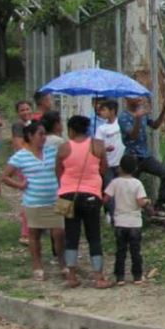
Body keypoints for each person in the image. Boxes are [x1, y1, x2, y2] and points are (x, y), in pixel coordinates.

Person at [2, 121, 65, 280]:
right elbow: (5, 176)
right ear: (30, 136)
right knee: (34, 234)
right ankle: (37, 265)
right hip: (34, 201)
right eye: (40, 134)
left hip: (57, 198)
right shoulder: (21, 155)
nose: (44, 138)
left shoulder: (52, 151)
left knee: (60, 233)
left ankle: (63, 262)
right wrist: (20, 185)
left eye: (45, 134)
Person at [55, 114, 110, 289]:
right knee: (94, 236)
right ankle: (99, 277)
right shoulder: (98, 145)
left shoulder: (63, 148)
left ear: (71, 130)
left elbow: (58, 171)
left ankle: (71, 275)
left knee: (71, 235)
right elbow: (104, 169)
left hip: (67, 196)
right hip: (92, 195)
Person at [119, 96, 165, 216]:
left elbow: (155, 125)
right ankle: (126, 213)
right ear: (126, 99)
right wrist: (137, 118)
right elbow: (133, 136)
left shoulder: (142, 113)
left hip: (145, 156)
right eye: (134, 96)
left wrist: (164, 110)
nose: (138, 98)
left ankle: (160, 206)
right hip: (132, 158)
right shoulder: (123, 117)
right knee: (129, 187)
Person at [105, 155, 151, 285]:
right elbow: (140, 202)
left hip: (120, 222)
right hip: (135, 222)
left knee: (121, 251)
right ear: (135, 168)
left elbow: (106, 198)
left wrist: (109, 210)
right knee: (135, 251)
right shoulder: (137, 183)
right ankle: (137, 275)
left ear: (120, 168)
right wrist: (147, 202)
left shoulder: (115, 182)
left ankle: (120, 277)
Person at [94, 99, 124, 221]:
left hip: (121, 163)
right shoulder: (102, 128)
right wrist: (105, 148)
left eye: (104, 109)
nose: (101, 112)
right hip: (108, 164)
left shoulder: (121, 124)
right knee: (109, 190)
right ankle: (113, 216)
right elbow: (97, 146)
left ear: (112, 111)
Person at [10, 99, 35, 245]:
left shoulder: (32, 124)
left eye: (27, 109)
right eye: (22, 110)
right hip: (25, 164)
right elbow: (19, 146)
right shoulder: (18, 126)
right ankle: (25, 233)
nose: (26, 112)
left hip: (32, 162)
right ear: (18, 113)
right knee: (29, 197)